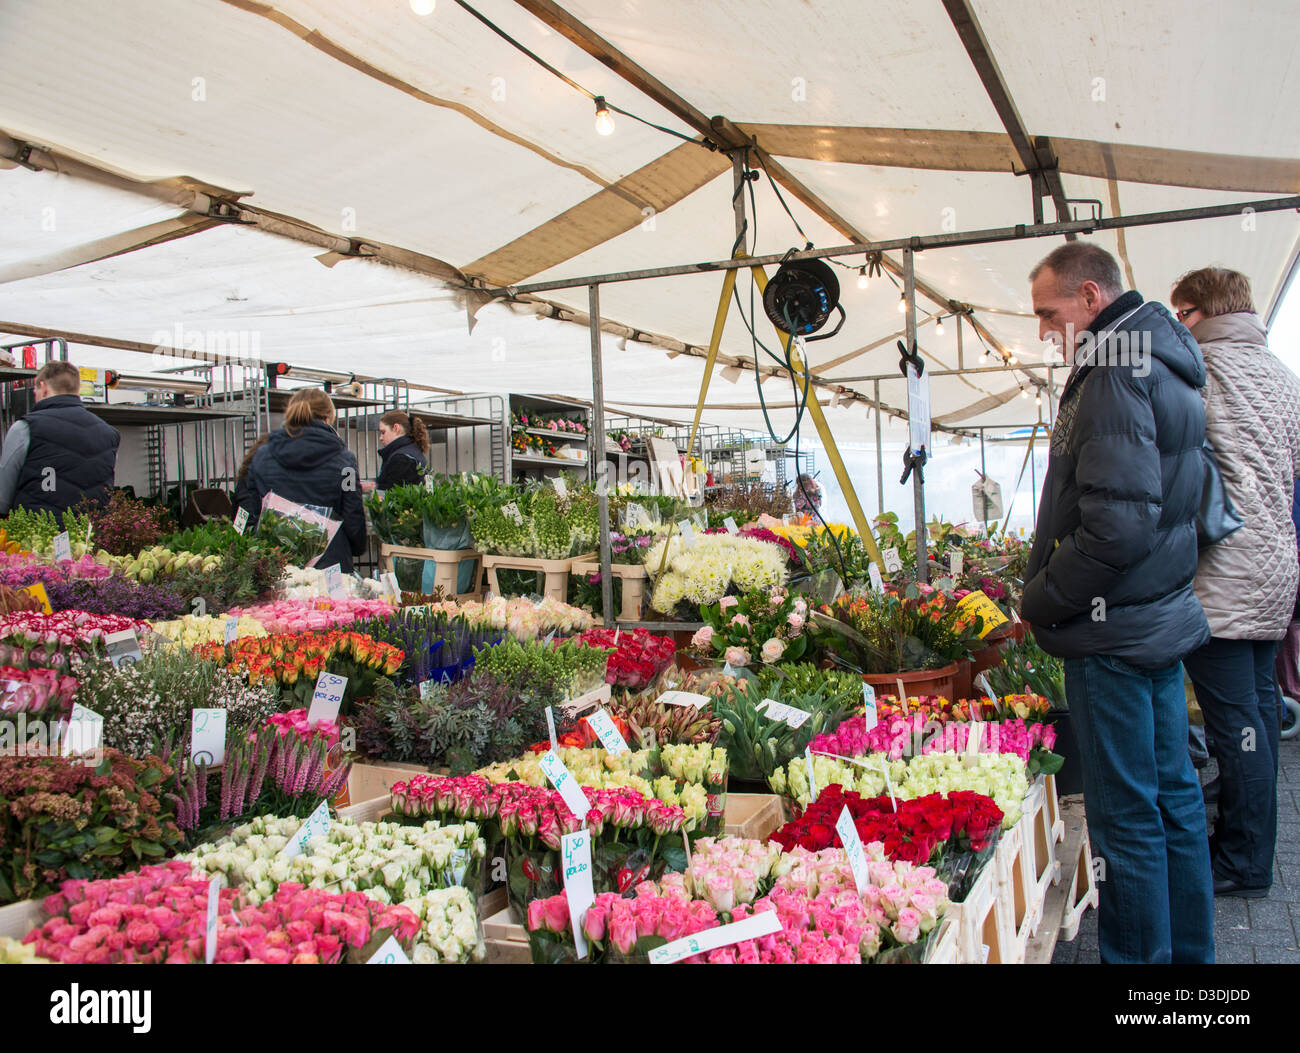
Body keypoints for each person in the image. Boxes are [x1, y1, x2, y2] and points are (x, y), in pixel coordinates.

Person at [1020, 242, 1213, 964]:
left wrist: (1041, 598)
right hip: (1156, 618)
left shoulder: (1110, 373)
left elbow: (1116, 527)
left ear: (1092, 296)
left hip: (1114, 635)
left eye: (1050, 312)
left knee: (1127, 819)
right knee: (1174, 803)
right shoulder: (1167, 359)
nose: (1045, 330)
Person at [1170, 267, 1300, 898]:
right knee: (1257, 714)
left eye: (1179, 313)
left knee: (1235, 725)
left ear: (1198, 312)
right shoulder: (1282, 375)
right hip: (1274, 567)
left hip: (1224, 569)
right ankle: (1249, 845)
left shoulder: (1203, 368)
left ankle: (1244, 862)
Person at [238, 388, 366, 573]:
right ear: (328, 418)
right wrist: (357, 546)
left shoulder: (261, 456)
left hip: (277, 563)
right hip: (330, 563)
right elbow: (352, 511)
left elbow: (251, 511)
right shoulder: (346, 461)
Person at [0, 360, 120, 519]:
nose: (34, 394)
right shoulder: (109, 433)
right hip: (91, 537)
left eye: (35, 389)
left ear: (43, 387)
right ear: (77, 390)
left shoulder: (25, 428)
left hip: (39, 537)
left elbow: (2, 498)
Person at [375, 410, 429, 492]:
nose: (380, 438)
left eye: (383, 432)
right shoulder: (413, 451)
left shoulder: (401, 459)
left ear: (396, 428)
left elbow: (390, 495)